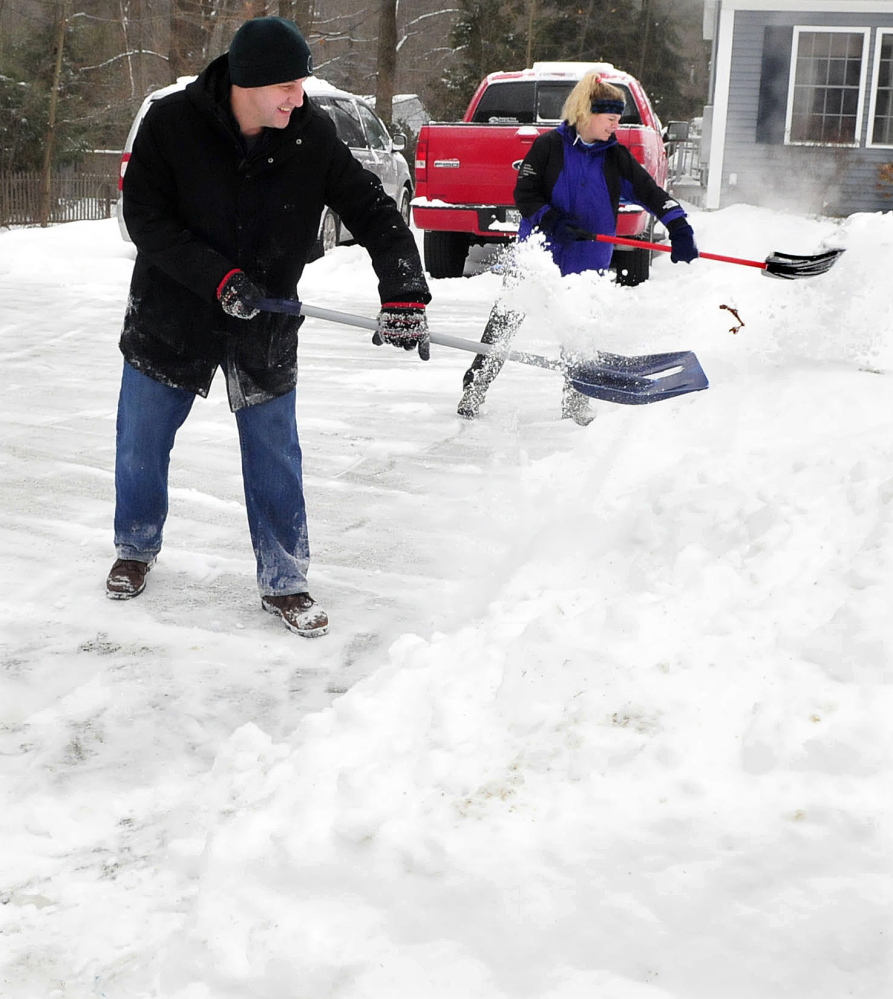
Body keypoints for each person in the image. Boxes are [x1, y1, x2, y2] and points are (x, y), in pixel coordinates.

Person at [106, 16, 431, 637]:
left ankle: (286, 580)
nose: (297, 97)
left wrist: (405, 292)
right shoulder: (171, 123)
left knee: (275, 452)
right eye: (287, 86)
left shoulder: (312, 135)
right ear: (247, 83)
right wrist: (216, 278)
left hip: (265, 320)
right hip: (171, 314)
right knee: (141, 443)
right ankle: (135, 545)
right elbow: (144, 217)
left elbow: (373, 210)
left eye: (301, 84)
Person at [457, 73, 698, 425]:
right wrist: (553, 221)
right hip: (540, 256)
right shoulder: (549, 147)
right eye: (610, 118)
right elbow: (525, 194)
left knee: (578, 334)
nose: (616, 125)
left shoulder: (615, 157)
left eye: (618, 119)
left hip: (587, 261)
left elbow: (650, 192)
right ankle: (475, 387)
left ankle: (576, 403)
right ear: (586, 113)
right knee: (505, 321)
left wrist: (678, 224)